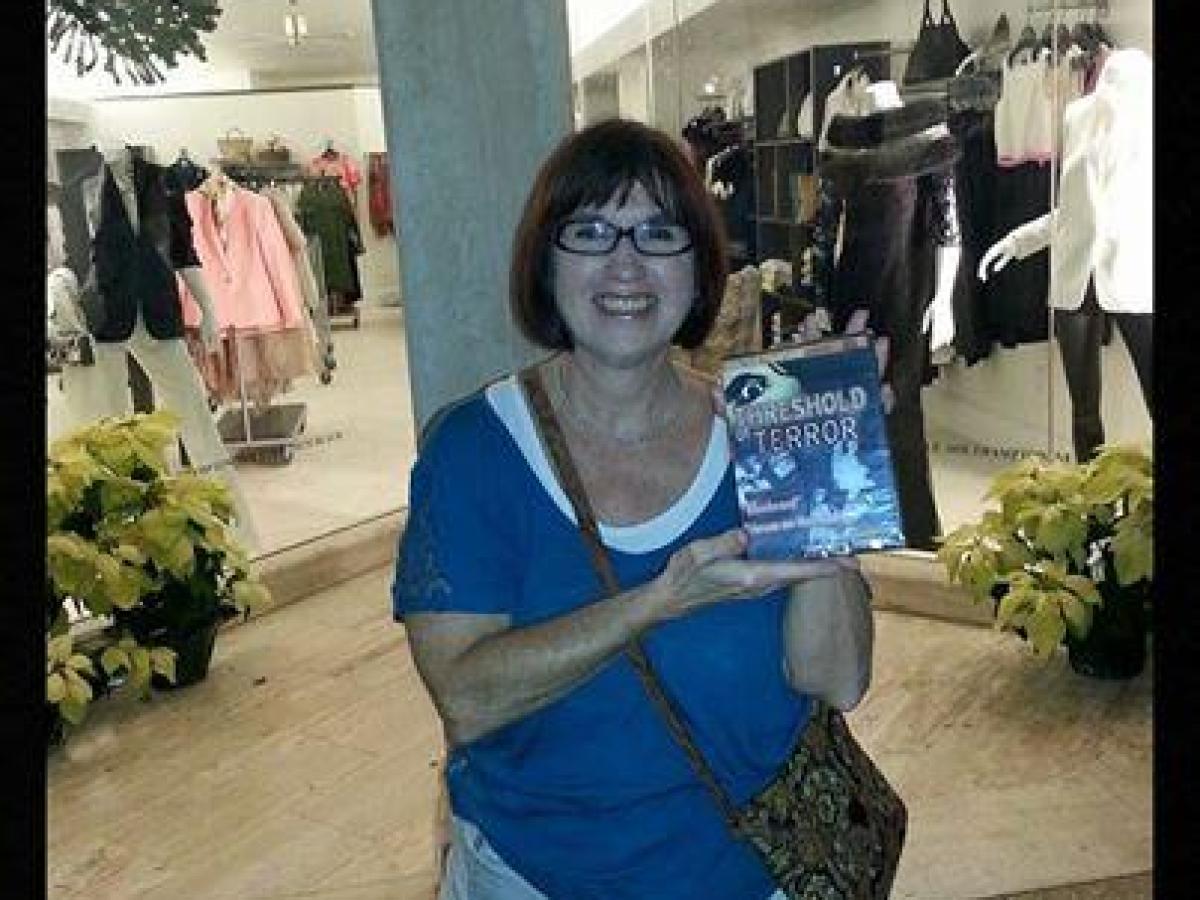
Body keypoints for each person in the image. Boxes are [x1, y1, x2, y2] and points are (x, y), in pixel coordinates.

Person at [392, 118, 876, 900]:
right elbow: (468, 699)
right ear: (546, 260)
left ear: (699, 265)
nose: (626, 263)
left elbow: (838, 679)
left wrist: (822, 469)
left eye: (659, 233)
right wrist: (658, 601)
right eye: (590, 232)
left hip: (753, 878)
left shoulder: (757, 429)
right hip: (533, 879)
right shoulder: (475, 449)